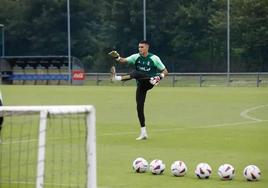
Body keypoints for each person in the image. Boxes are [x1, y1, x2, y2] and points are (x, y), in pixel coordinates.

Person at [108, 40, 168, 140]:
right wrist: (117, 57)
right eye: (139, 47)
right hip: (141, 84)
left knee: (136, 73)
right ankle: (143, 133)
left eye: (142, 47)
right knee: (139, 107)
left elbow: (165, 71)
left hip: (150, 81)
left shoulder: (154, 58)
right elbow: (124, 61)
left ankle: (116, 78)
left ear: (147, 48)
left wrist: (159, 77)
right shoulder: (136, 57)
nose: (140, 49)